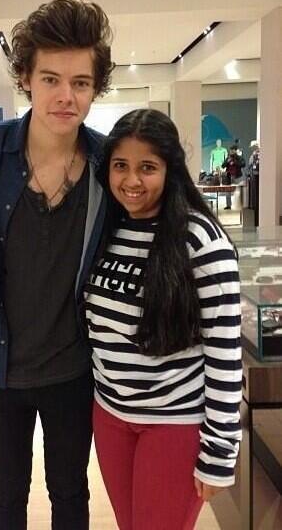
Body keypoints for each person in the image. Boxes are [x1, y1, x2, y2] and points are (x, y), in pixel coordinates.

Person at [0, 0, 114, 529]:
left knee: (71, 492)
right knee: (6, 493)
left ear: (95, 87)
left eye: (80, 82)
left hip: (75, 367)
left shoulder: (106, 162)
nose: (66, 96)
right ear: (25, 79)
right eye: (51, 79)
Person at [84, 109, 242, 530]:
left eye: (147, 167)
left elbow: (225, 355)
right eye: (121, 165)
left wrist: (219, 451)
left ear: (170, 169)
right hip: (111, 416)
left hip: (175, 424)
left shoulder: (201, 240)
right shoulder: (107, 229)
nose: (131, 180)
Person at [222, 144, 245, 209]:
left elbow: (243, 164)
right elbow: (222, 166)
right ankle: (228, 205)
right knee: (227, 191)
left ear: (235, 151)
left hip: (237, 176)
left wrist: (234, 162)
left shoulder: (239, 157)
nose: (231, 152)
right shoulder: (228, 158)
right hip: (228, 177)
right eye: (230, 150)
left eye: (232, 150)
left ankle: (240, 204)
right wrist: (227, 162)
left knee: (239, 190)